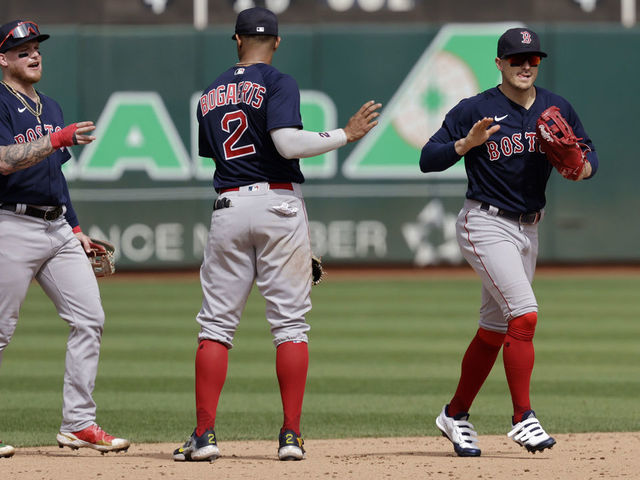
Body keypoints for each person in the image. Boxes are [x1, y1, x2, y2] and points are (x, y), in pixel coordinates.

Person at [173, 7, 381, 462]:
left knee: (215, 327)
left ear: (236, 39)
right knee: (289, 326)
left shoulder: (209, 93)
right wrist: (345, 134)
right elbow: (286, 143)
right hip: (279, 204)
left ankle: (204, 436)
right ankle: (290, 436)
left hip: (229, 205)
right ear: (278, 42)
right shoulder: (279, 81)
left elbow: (214, 153)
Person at [419, 27, 598, 457]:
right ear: (499, 64)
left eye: (532, 59)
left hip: (528, 228)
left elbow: (589, 157)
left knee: (495, 329)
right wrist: (466, 143)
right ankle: (523, 417)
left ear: (539, 63)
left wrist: (579, 166)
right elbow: (428, 158)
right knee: (525, 314)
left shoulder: (558, 106)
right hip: (485, 222)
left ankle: (455, 415)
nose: (524, 66)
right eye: (516, 59)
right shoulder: (475, 108)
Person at [0, 20, 130, 455]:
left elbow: (56, 177)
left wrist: (75, 229)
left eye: (36, 48)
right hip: (10, 225)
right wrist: (56, 138)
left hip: (56, 228)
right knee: (0, 330)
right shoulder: (0, 102)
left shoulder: (50, 107)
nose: (34, 55)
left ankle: (78, 422)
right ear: (3, 59)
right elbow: (2, 161)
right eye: (22, 50)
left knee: (89, 319)